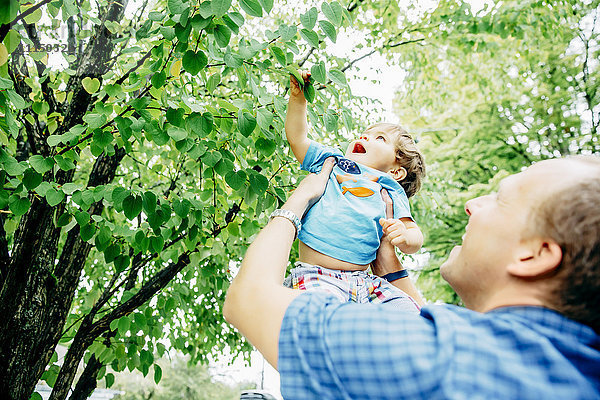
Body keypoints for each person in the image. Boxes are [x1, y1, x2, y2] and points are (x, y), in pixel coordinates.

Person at [223, 155, 600, 399]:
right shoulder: (570, 369)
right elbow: (425, 319)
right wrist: (392, 268)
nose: (472, 204)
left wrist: (300, 200)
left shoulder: (446, 361)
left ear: (535, 255)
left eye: (498, 199)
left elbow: (249, 298)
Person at [283, 72, 426, 310]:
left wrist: (405, 236)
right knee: (317, 318)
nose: (365, 137)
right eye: (364, 134)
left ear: (396, 171)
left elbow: (414, 234)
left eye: (379, 138)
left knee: (409, 310)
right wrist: (298, 101)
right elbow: (297, 139)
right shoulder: (331, 162)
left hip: (366, 283)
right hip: (318, 276)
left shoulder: (389, 189)